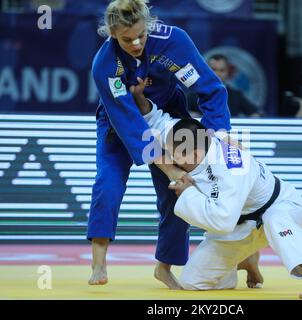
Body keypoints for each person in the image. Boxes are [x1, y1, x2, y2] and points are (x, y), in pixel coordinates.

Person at [88, 0, 261, 289]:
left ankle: (165, 266)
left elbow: (211, 89)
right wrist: (168, 168)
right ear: (111, 34)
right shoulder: (105, 64)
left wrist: (220, 135)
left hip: (170, 113)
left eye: (141, 34)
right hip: (119, 123)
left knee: (179, 192)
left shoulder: (174, 41)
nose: (136, 43)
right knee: (108, 184)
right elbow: (133, 125)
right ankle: (98, 263)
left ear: (149, 23)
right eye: (126, 39)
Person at [131, 83, 302, 298]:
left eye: (176, 157)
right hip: (239, 222)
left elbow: (222, 221)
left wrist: (187, 194)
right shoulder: (184, 135)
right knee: (191, 282)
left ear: (195, 155)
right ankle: (242, 261)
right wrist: (138, 95)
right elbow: (155, 120)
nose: (171, 160)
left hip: (278, 206)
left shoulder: (232, 166)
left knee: (276, 220)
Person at [187, 54, 263, 118]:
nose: (217, 74)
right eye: (213, 69)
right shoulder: (194, 94)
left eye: (221, 70)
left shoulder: (236, 95)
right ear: (206, 70)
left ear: (227, 72)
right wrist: (189, 115)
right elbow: (179, 114)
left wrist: (254, 118)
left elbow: (257, 113)